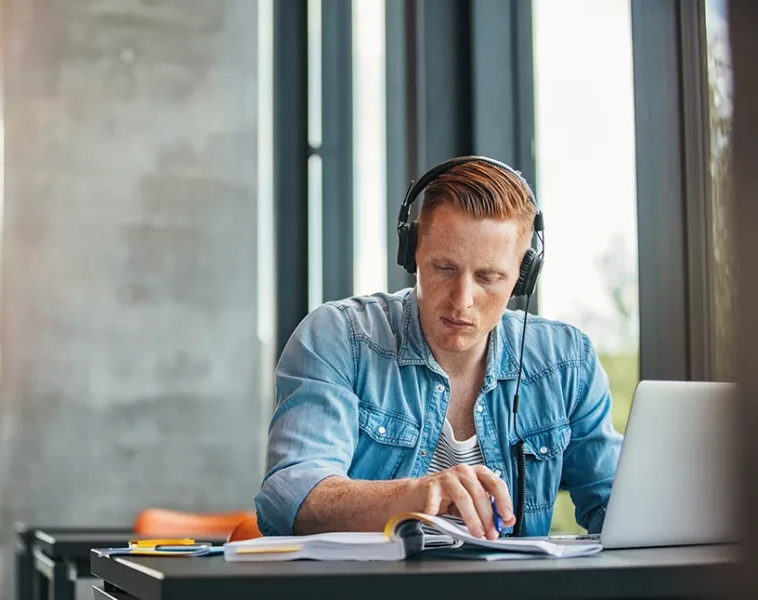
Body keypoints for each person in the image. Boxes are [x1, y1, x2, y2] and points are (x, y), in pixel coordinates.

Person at [254, 156, 623, 540]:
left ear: (522, 277)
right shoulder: (339, 338)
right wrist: (416, 496)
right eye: (444, 268)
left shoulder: (566, 362)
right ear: (412, 253)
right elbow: (291, 500)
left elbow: (618, 505)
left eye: (489, 277)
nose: (462, 300)